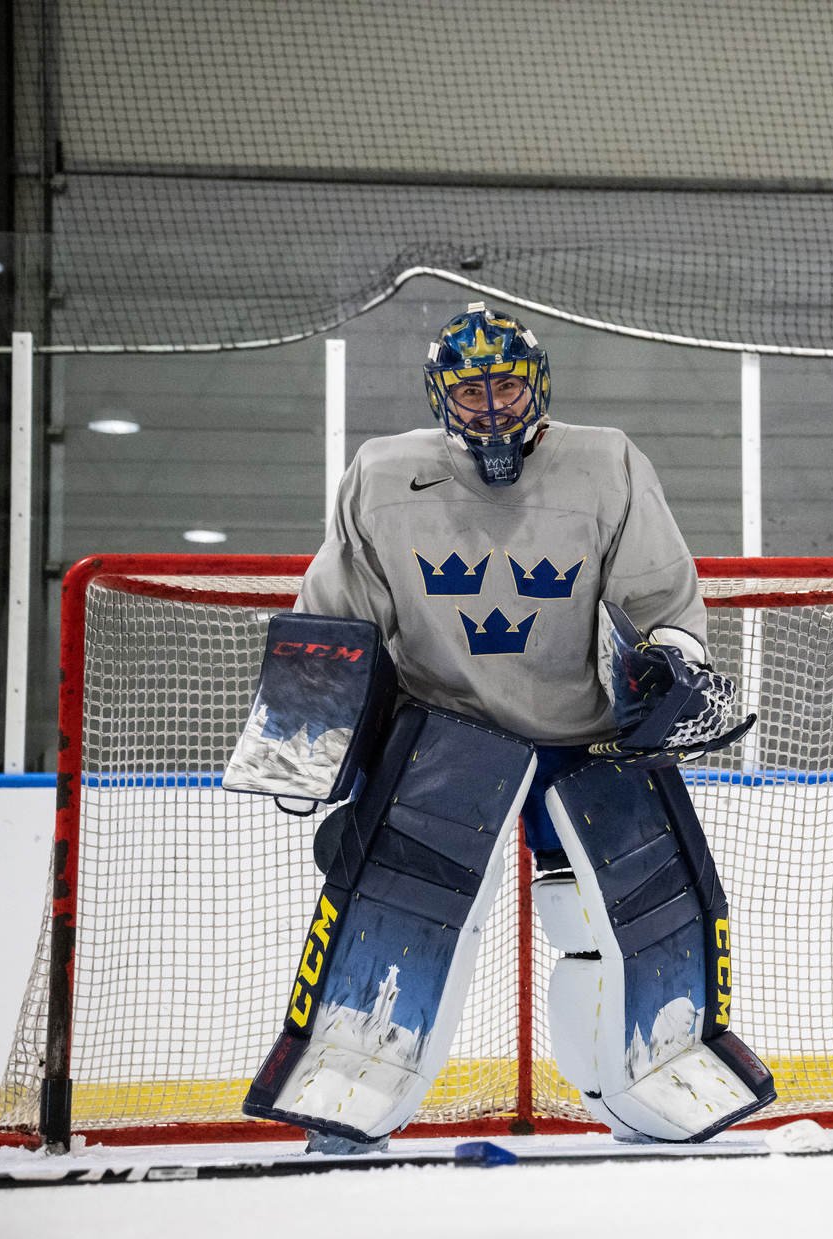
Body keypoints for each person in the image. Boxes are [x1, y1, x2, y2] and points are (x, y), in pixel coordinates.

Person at [239, 302, 773, 1151]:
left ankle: (654, 1088)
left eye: (507, 387)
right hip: (441, 740)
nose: (491, 408)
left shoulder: (608, 463)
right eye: (470, 392)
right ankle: (345, 1095)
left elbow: (658, 601)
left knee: (618, 925)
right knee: (396, 917)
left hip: (587, 740)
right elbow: (337, 615)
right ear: (440, 396)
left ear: (539, 386)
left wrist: (667, 664)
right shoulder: (382, 473)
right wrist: (312, 740)